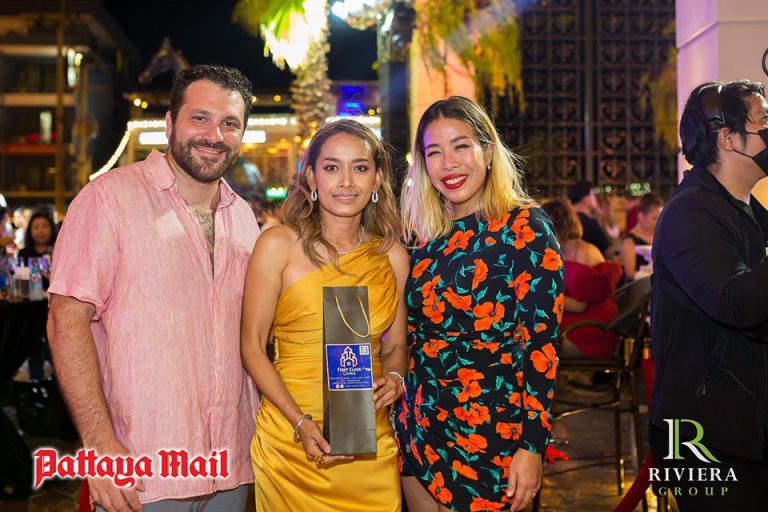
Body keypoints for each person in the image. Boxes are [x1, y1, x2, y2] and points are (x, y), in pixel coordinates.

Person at [47, 64, 259, 511]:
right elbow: (66, 321)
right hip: (142, 471)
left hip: (232, 467)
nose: (214, 135)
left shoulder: (244, 217)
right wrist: (99, 444)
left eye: (230, 123)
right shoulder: (108, 199)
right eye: (199, 118)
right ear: (169, 122)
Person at [396, 96, 564, 512]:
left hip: (491, 434)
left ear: (488, 152)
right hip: (419, 427)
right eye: (434, 152)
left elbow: (542, 346)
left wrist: (532, 446)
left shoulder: (525, 228)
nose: (448, 164)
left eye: (461, 146)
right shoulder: (423, 236)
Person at [240, 119, 408, 511]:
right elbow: (251, 347)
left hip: (368, 442)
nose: (346, 181)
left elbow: (396, 345)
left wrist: (396, 378)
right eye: (332, 167)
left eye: (360, 167)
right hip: (291, 440)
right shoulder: (278, 245)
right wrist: (299, 422)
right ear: (312, 177)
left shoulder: (392, 256)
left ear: (377, 179)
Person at [650, 80, 768, 510]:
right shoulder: (691, 212)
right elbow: (734, 301)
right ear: (728, 138)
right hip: (706, 434)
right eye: (764, 121)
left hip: (744, 421)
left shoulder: (746, 208)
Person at [542, 198, 621, 360]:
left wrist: (540, 297)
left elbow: (579, 305)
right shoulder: (565, 250)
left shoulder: (584, 252)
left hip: (593, 329)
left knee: (533, 335)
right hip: (579, 322)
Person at [620, 192, 663, 281]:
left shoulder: (661, 235)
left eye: (660, 218)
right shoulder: (630, 240)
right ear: (641, 216)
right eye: (654, 218)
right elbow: (630, 274)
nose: (658, 222)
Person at [568, 181, 610, 255]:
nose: (596, 199)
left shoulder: (566, 221)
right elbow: (607, 251)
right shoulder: (590, 224)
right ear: (586, 199)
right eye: (593, 195)